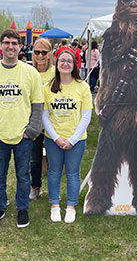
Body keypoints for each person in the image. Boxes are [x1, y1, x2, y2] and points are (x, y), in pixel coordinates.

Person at [0, 29, 43, 228]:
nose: (10, 46)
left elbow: (38, 105)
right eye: (6, 43)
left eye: (14, 43)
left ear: (20, 46)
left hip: (23, 135)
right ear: (0, 46)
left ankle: (22, 208)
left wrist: (31, 131)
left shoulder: (30, 73)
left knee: (23, 174)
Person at [42, 50, 92, 223]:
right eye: (62, 60)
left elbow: (86, 116)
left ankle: (71, 206)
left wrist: (72, 139)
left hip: (76, 140)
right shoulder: (48, 87)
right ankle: (54, 205)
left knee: (72, 173)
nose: (65, 64)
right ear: (57, 63)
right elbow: (44, 115)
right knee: (54, 172)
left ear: (74, 64)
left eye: (69, 61)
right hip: (53, 138)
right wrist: (56, 137)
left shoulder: (82, 87)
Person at [29, 38, 55, 200]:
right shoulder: (28, 71)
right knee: (34, 159)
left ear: (50, 54)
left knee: (54, 158)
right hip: (34, 123)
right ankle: (35, 187)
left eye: (44, 52)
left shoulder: (55, 72)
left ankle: (54, 189)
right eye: (37, 52)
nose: (40, 56)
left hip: (53, 123)